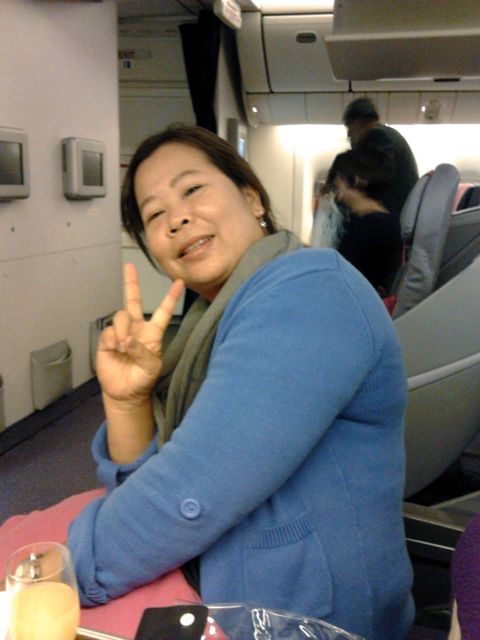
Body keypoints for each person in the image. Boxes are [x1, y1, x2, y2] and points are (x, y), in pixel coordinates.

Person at [1, 124, 414, 640]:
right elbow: (148, 486)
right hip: (221, 572)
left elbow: (185, 495)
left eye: (192, 189)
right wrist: (127, 400)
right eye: (154, 215)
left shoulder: (311, 291)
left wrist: (50, 581)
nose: (176, 218)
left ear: (251, 197)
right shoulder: (212, 319)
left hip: (304, 618)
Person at [326, 149, 404, 297]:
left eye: (340, 176)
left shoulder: (369, 227)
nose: (335, 182)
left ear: (357, 179)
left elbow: (343, 275)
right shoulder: (387, 220)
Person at [342, 97, 419, 217]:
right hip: (396, 210)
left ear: (360, 122)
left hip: (391, 215)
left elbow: (367, 176)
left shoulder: (378, 137)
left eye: (349, 126)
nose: (348, 133)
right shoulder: (386, 134)